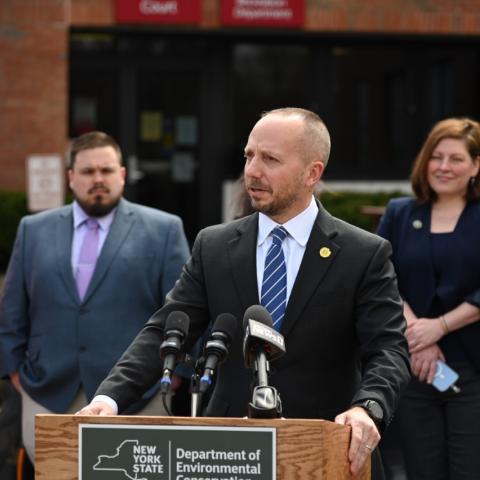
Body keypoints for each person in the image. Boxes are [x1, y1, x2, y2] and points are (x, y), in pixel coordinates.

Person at [77, 108, 410, 478]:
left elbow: (389, 350)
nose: (252, 170)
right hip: (225, 452)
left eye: (270, 159)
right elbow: (165, 330)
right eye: (249, 155)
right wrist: (109, 398)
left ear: (312, 173)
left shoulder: (363, 253)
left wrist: (367, 408)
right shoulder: (214, 246)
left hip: (323, 450)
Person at [0, 131, 190, 462]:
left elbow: (183, 310)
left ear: (122, 175)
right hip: (48, 392)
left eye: (106, 170)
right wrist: (15, 372)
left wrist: (175, 376)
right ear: (71, 177)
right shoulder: (33, 230)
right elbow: (12, 310)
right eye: (88, 172)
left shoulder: (164, 230)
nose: (97, 179)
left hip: (137, 398)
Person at [377, 117, 480, 479]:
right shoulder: (400, 214)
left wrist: (439, 327)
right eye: (437, 157)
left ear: (476, 165)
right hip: (415, 366)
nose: (443, 167)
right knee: (421, 469)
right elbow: (382, 278)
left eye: (456, 159)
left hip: (472, 369)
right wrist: (418, 335)